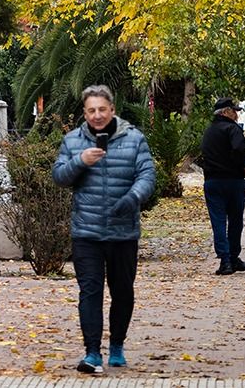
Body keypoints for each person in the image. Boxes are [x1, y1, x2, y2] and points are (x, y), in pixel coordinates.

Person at [53, 85, 156, 373]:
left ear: (112, 109)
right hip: (87, 232)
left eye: (102, 109)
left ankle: (118, 346)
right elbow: (59, 176)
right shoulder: (72, 141)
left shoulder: (134, 139)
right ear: (84, 113)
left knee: (123, 292)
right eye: (91, 110)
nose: (97, 115)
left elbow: (147, 175)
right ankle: (91, 353)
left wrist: (133, 198)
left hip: (123, 232)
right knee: (90, 291)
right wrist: (80, 161)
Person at [199, 97, 245, 276]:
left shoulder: (208, 132)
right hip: (233, 181)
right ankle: (232, 256)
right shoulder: (232, 129)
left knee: (218, 221)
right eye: (233, 110)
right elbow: (239, 150)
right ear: (225, 112)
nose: (236, 114)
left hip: (213, 181)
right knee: (235, 221)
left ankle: (225, 260)